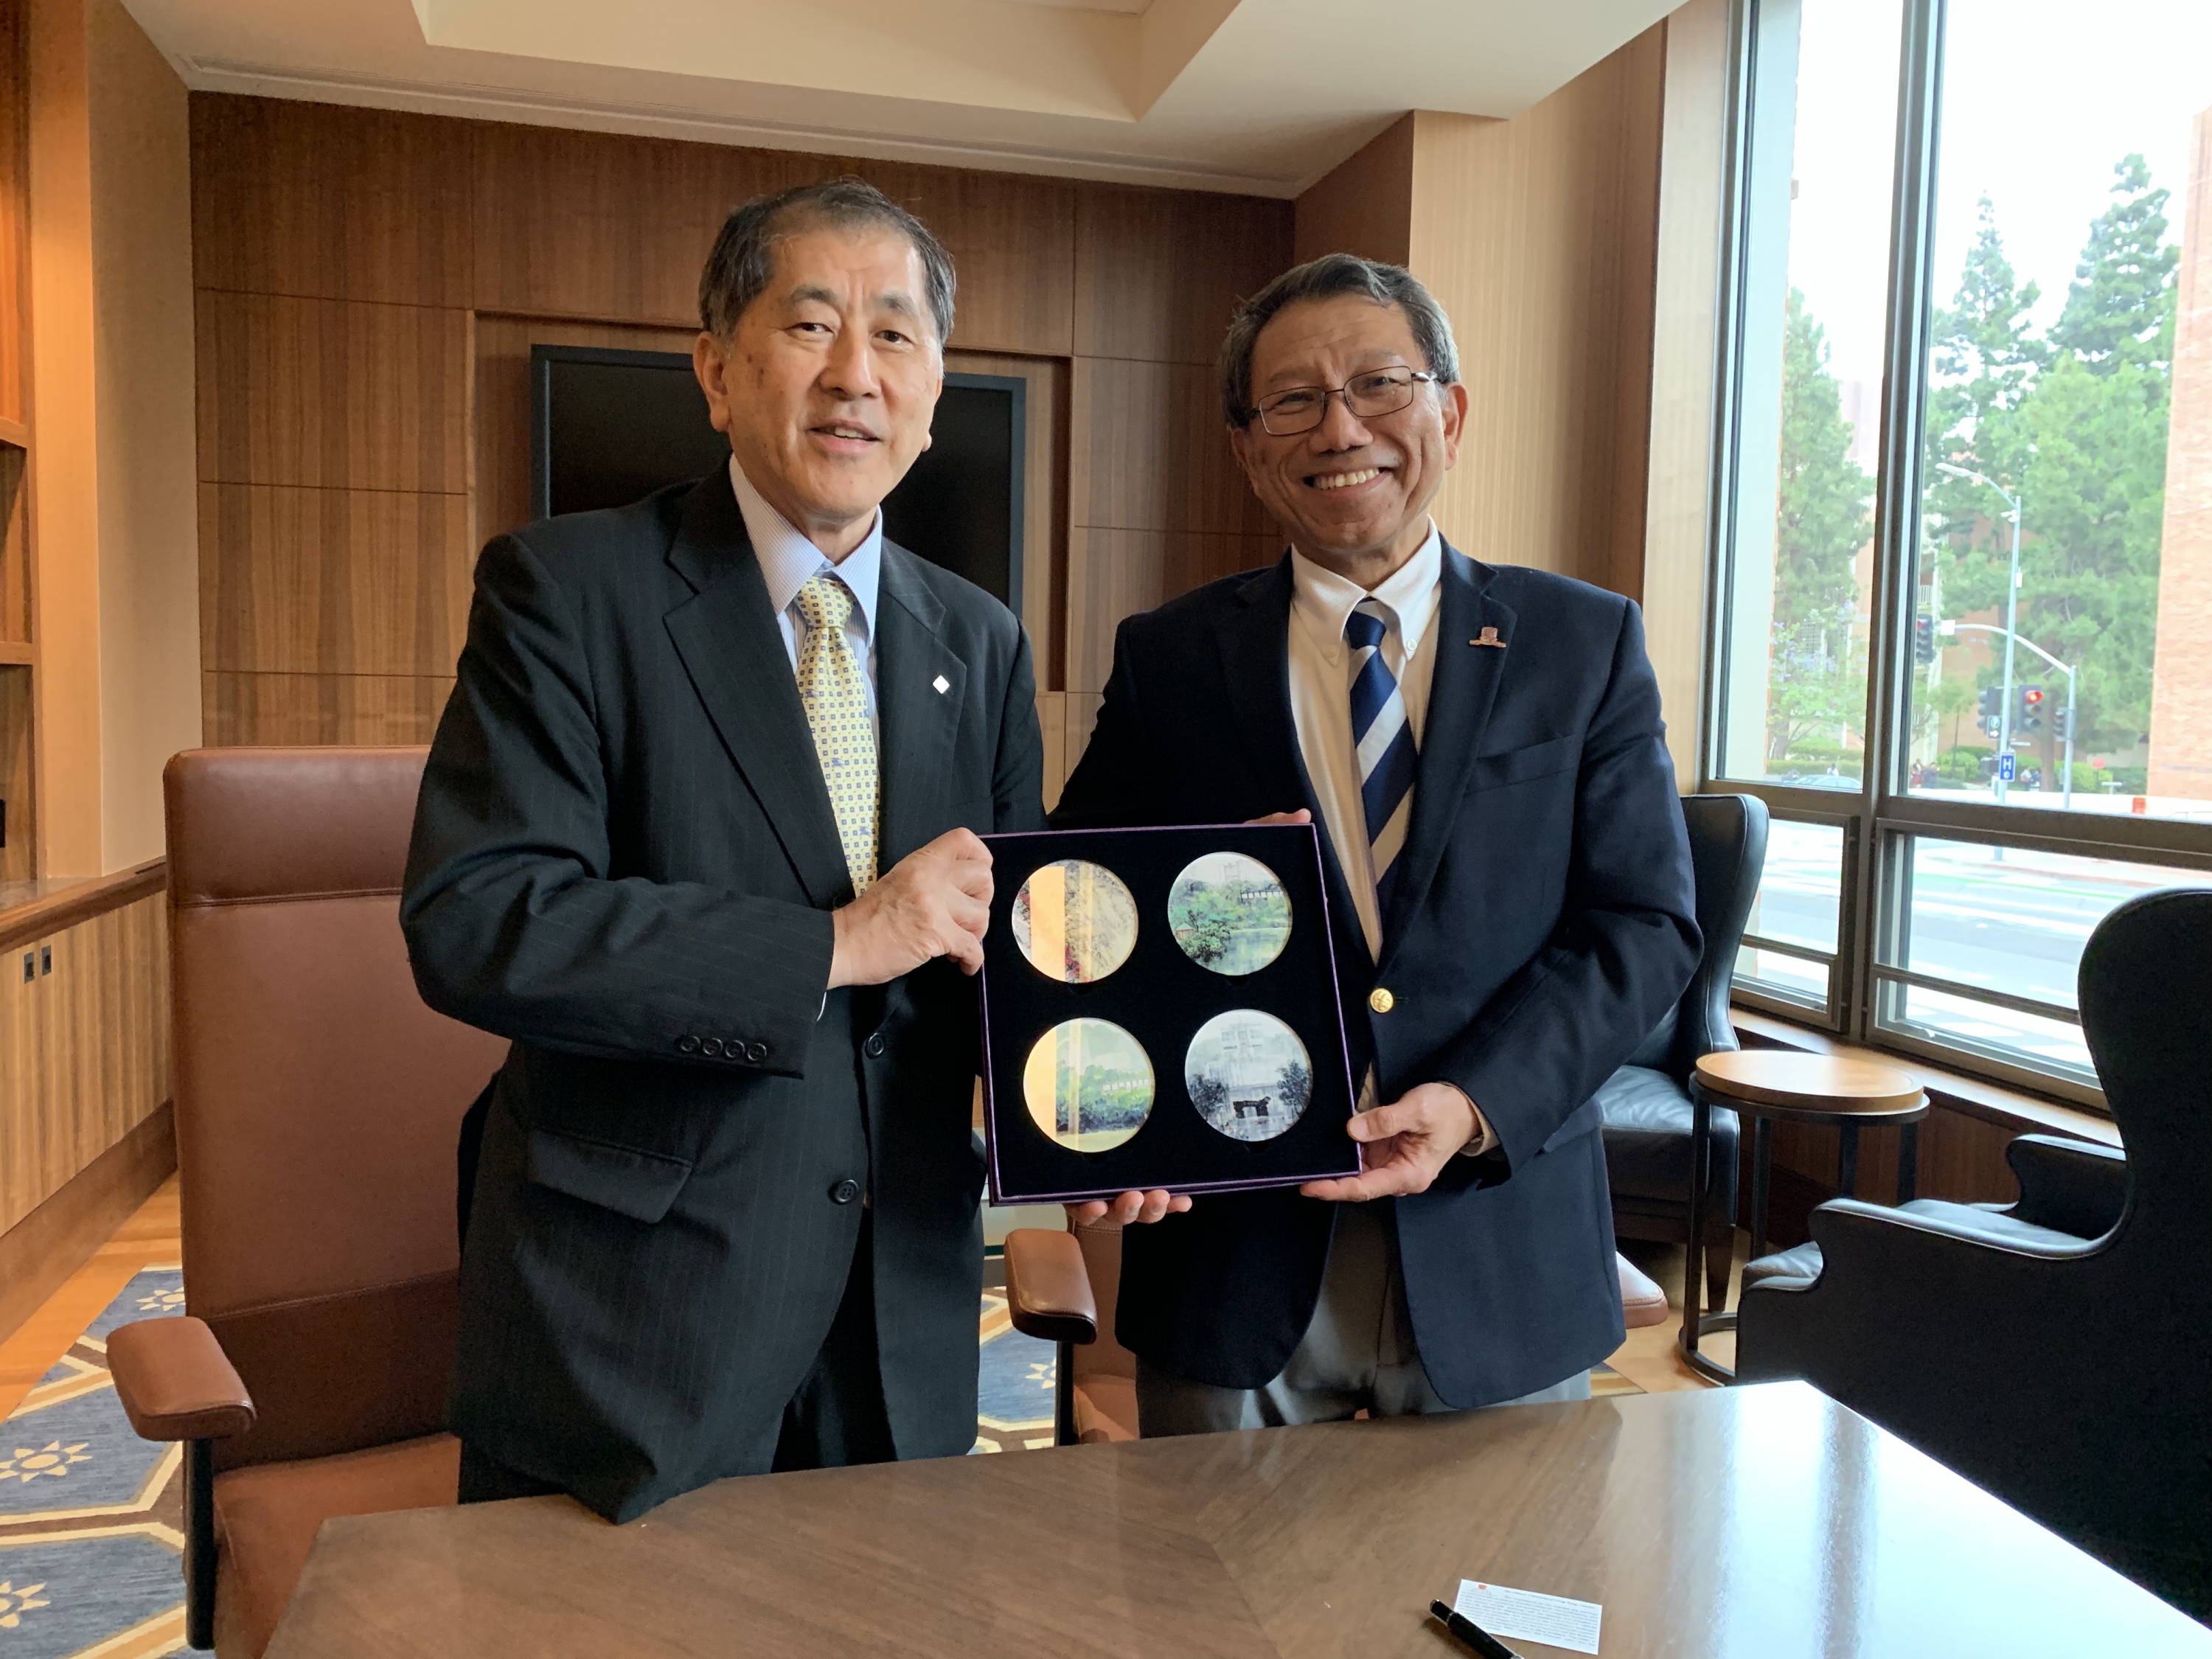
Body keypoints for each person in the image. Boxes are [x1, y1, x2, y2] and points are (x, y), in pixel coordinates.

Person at [402, 178, 1049, 1521]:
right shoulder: (567, 591)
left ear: (935, 389)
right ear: (715, 369)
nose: (855, 375)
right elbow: (482, 916)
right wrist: (833, 943)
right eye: (811, 325)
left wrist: (1105, 1112)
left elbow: (1010, 952)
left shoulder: (979, 642)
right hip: (637, 1317)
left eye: (895, 336)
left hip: (902, 1310)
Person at [1051, 254, 1701, 1433]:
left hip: (1498, 1238)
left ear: (1448, 411)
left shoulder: (1583, 640)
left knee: (1498, 1605)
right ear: (1250, 448)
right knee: (1217, 1609)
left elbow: (1645, 928)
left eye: (1378, 384)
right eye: (1291, 400)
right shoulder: (1170, 657)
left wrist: (1475, 1103)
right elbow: (1073, 912)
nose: (1340, 425)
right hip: (1234, 1251)